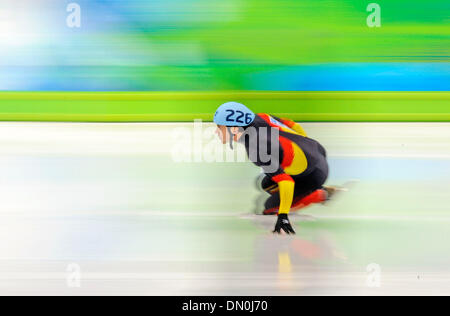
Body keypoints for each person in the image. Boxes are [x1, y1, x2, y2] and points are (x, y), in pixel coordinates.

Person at [214, 101, 334, 234]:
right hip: (317, 150)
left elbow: (287, 182)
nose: (216, 132)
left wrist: (283, 216)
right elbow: (293, 125)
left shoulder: (257, 149)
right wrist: (305, 145)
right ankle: (305, 192)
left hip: (313, 175)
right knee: (266, 184)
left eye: (220, 127)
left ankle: (320, 194)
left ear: (235, 128)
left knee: (270, 208)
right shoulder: (261, 117)